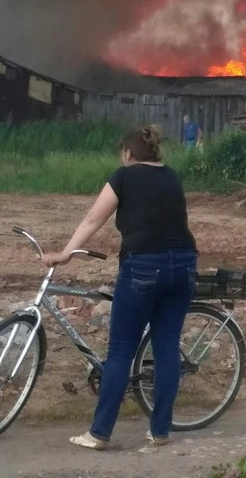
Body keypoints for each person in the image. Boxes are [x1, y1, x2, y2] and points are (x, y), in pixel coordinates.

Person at [40, 125, 198, 451]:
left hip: (143, 266)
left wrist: (65, 254)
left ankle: (99, 433)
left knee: (121, 350)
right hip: (183, 265)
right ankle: (161, 431)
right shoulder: (172, 176)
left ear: (128, 153)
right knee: (167, 346)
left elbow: (92, 220)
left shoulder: (124, 177)